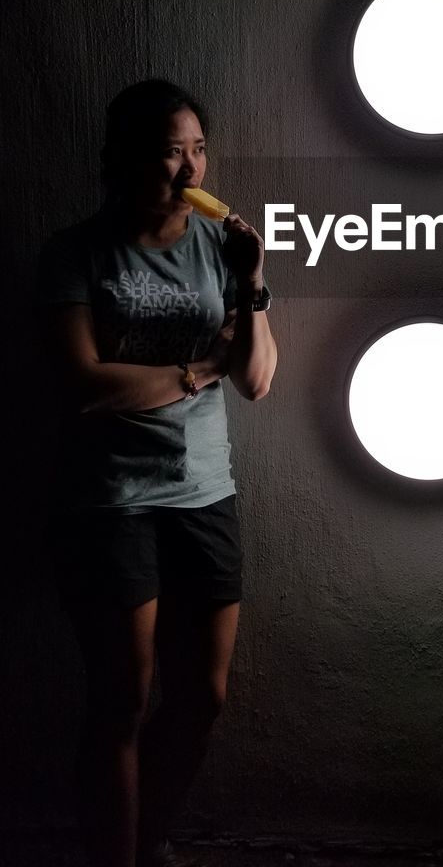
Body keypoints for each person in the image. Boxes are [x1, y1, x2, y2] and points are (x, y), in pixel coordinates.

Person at [37, 79, 278, 867]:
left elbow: (257, 378)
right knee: (122, 702)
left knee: (202, 698)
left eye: (199, 149)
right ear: (127, 159)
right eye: (173, 152)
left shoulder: (219, 248)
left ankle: (143, 838)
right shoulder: (75, 253)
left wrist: (251, 284)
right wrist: (192, 371)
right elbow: (81, 385)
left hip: (204, 489)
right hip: (110, 500)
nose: (191, 171)